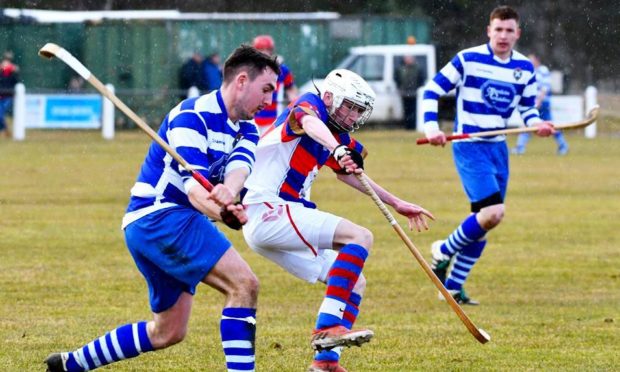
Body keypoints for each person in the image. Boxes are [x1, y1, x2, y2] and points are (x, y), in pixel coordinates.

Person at [44, 45, 280, 372]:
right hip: (161, 217)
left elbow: (239, 169)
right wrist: (219, 210)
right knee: (245, 285)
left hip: (157, 226)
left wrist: (230, 195)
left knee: (167, 331)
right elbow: (195, 189)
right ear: (242, 81)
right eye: (266, 89)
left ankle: (72, 364)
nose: (270, 100)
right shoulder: (191, 116)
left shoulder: (247, 129)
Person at [241, 69, 434, 372]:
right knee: (360, 236)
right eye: (350, 106)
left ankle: (325, 363)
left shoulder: (335, 137)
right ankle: (328, 328)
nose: (354, 115)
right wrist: (337, 147)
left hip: (275, 221)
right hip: (267, 208)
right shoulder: (310, 108)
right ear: (329, 97)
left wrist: (396, 202)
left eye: (359, 110)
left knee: (355, 283)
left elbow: (350, 173)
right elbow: (308, 121)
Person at [421, 6, 555, 305]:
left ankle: (453, 288)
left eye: (509, 30)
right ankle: (442, 250)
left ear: (517, 33)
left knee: (483, 221)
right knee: (492, 213)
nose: (503, 36)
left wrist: (538, 125)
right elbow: (431, 90)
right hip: (469, 146)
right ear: (489, 30)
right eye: (498, 29)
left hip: (498, 147)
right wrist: (431, 128)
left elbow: (528, 109)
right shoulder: (468, 59)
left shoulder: (524, 68)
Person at [512, 53, 569, 155]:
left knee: (544, 125)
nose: (529, 61)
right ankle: (563, 145)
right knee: (533, 124)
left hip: (542, 103)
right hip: (534, 103)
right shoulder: (529, 70)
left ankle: (563, 146)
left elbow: (545, 88)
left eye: (531, 59)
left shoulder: (543, 70)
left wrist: (539, 101)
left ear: (537, 60)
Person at [252, 34, 299, 135]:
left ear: (271, 51)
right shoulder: (250, 69)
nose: (264, 53)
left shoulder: (282, 69)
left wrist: (296, 105)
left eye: (267, 49)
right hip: (252, 118)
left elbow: (291, 89)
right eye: (261, 50)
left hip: (273, 118)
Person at [396, 55, 424, 130]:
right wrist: (400, 88)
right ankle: (407, 126)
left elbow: (421, 80)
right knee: (406, 111)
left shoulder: (417, 69)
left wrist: (418, 89)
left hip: (414, 94)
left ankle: (412, 126)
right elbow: (397, 79)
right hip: (404, 94)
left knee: (413, 110)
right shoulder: (401, 69)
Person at [0, 51, 19, 138]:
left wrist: (14, 70)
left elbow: (16, 80)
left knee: (0, 114)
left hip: (8, 96)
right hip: (1, 96)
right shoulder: (1, 70)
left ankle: (6, 130)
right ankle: (6, 130)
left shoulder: (13, 70)